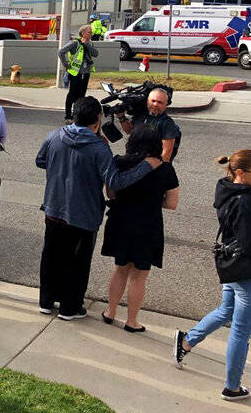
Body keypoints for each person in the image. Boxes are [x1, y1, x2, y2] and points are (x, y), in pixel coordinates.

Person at [36, 96, 160, 320]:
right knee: (77, 263)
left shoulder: (54, 136)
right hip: (83, 214)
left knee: (51, 257)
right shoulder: (99, 148)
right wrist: (145, 167)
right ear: (97, 120)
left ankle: (46, 300)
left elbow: (40, 160)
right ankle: (69, 307)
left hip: (54, 207)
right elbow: (115, 182)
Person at [174, 150, 251, 401]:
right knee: (241, 329)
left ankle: (186, 342)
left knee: (226, 311)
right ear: (240, 173)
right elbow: (249, 242)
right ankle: (232, 387)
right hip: (245, 269)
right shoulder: (244, 202)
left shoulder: (229, 189)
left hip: (232, 266)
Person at [100, 125, 179, 332]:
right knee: (139, 275)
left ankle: (110, 312)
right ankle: (132, 321)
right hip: (148, 224)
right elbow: (172, 203)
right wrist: (153, 200)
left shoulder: (118, 162)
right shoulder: (165, 168)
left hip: (120, 220)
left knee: (120, 269)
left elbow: (111, 193)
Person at [120, 87, 181, 162]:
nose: (155, 104)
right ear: (147, 101)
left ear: (166, 105)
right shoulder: (141, 115)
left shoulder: (167, 124)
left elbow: (166, 155)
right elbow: (129, 131)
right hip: (135, 162)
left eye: (160, 102)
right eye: (153, 101)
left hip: (153, 167)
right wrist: (121, 117)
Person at [58, 25, 98, 122]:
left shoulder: (90, 44)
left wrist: (87, 44)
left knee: (81, 95)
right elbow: (61, 52)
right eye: (89, 32)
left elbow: (95, 54)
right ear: (83, 33)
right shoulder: (75, 43)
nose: (91, 34)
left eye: (91, 32)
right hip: (75, 73)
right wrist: (66, 65)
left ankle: (77, 115)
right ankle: (68, 116)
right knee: (72, 94)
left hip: (86, 73)